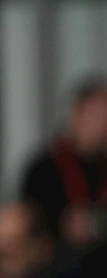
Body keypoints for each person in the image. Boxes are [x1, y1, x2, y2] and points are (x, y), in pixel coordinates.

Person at [20, 79, 107, 251]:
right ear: (77, 115)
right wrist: (64, 226)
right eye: (99, 115)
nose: (104, 125)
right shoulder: (44, 170)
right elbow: (30, 230)